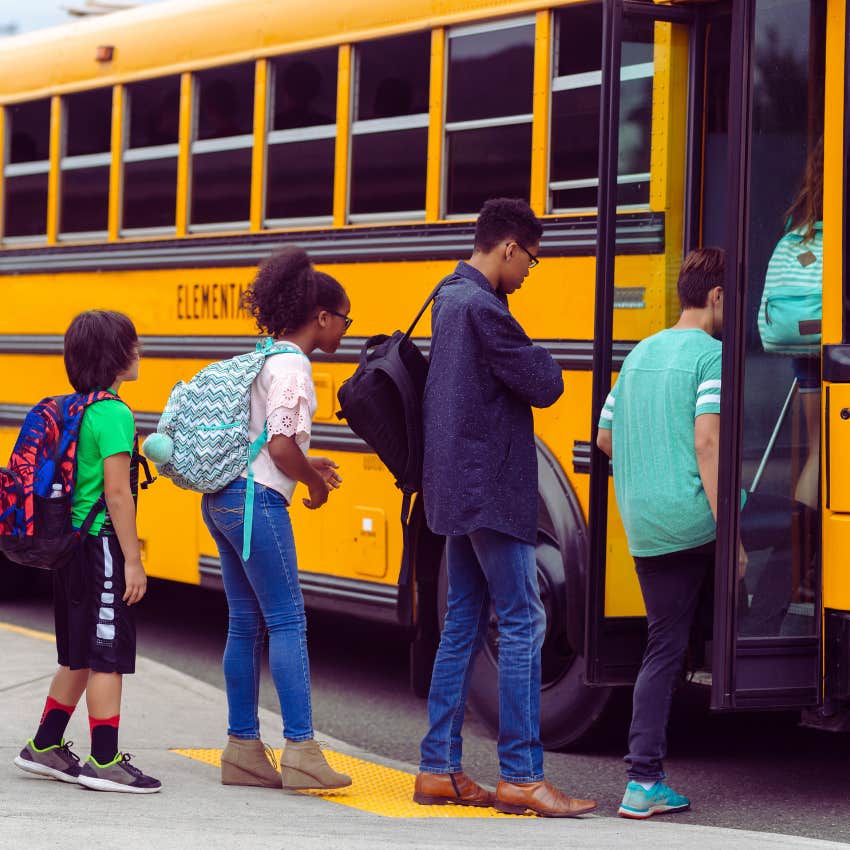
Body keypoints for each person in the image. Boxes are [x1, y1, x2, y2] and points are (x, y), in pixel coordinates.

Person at [414, 197, 597, 818]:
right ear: (510, 248)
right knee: (523, 621)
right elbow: (548, 382)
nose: (527, 274)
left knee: (464, 622)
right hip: (491, 492)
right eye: (531, 263)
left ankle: (438, 767)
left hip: (454, 490)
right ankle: (521, 774)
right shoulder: (483, 309)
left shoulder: (448, 298)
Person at [201, 247, 352, 791]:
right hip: (257, 504)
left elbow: (268, 440)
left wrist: (308, 465)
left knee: (245, 623)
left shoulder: (265, 356)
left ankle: (242, 748)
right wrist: (311, 482)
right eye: (344, 320)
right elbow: (283, 445)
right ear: (321, 317)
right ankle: (301, 750)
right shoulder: (294, 365)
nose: (344, 331)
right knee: (288, 622)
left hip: (224, 498)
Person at [597, 247, 740, 818]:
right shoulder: (712, 355)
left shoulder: (641, 354)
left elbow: (606, 439)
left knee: (662, 643)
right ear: (718, 297)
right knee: (790, 524)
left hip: (644, 521)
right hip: (691, 518)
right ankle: (643, 778)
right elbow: (708, 443)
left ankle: (645, 777)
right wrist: (732, 537)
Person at [14, 310, 161, 793]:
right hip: (100, 547)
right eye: (132, 345)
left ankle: (45, 747)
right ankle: (105, 760)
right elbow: (118, 494)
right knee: (107, 654)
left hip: (69, 547)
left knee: (78, 653)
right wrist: (133, 561)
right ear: (116, 356)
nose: (138, 353)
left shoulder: (72, 407)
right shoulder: (114, 412)